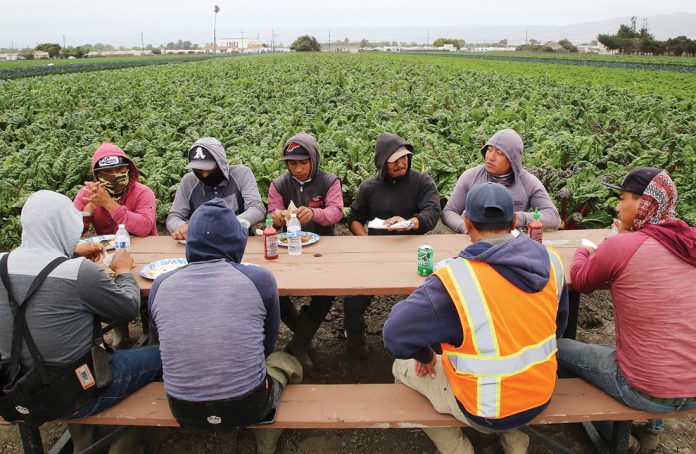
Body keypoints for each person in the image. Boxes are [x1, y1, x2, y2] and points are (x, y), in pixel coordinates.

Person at [383, 183, 569, 454]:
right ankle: (515, 443)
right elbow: (558, 326)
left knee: (401, 366)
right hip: (541, 393)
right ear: (515, 220)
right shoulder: (552, 262)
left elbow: (394, 336)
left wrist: (426, 357)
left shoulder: (456, 280)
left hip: (484, 410)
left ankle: (457, 449)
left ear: (467, 223)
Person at [0, 191, 162, 453]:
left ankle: (82, 437)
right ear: (65, 227)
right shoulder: (78, 273)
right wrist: (123, 271)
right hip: (77, 393)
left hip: (15, 387)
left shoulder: (2, 263)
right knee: (162, 356)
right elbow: (128, 308)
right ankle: (130, 440)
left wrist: (72, 251)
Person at [557, 167, 696, 452]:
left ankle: (617, 436)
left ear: (645, 203)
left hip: (644, 388)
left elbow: (581, 280)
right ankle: (651, 432)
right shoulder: (688, 241)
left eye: (624, 199)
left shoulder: (622, 246)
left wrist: (588, 250)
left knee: (557, 349)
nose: (619, 207)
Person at [149, 199, 302, 454]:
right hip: (248, 406)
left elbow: (160, 341)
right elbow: (267, 344)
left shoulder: (160, 284)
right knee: (285, 361)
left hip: (182, 409)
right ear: (237, 241)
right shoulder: (260, 279)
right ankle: (268, 432)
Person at [346, 132, 441, 357]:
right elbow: (354, 219)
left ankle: (430, 340)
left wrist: (410, 223)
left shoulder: (422, 182)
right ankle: (355, 338)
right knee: (353, 298)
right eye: (394, 160)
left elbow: (432, 212)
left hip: (414, 252)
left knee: (430, 295)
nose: (401, 163)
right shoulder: (369, 187)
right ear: (382, 163)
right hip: (376, 253)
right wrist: (366, 243)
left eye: (404, 157)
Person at [267, 132, 343, 370]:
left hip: (322, 249)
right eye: (292, 163)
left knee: (327, 292)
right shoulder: (279, 184)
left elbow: (336, 211)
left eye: (303, 162)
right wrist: (277, 218)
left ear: (314, 159)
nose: (298, 169)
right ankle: (303, 339)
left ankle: (297, 345)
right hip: (287, 249)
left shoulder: (329, 181)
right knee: (275, 292)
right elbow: (272, 214)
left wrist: (315, 214)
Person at [442, 128, 560, 234]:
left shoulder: (528, 182)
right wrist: (466, 228)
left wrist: (518, 218)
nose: (490, 157)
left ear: (512, 159)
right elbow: (449, 211)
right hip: (472, 242)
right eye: (489, 149)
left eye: (499, 153)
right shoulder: (471, 176)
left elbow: (553, 217)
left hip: (511, 245)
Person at [166, 137, 265, 240]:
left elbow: (257, 209)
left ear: (221, 163)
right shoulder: (188, 181)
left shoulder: (241, 174)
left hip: (239, 241)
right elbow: (173, 217)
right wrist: (179, 226)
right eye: (199, 170)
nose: (204, 175)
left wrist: (229, 223)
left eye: (210, 169)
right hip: (201, 244)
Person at [73, 142, 157, 236]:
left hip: (144, 248)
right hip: (105, 249)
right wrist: (88, 211)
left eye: (120, 169)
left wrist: (108, 203)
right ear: (97, 175)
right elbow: (70, 233)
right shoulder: (88, 194)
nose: (115, 175)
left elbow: (144, 227)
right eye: (108, 171)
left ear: (128, 169)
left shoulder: (143, 193)